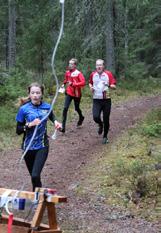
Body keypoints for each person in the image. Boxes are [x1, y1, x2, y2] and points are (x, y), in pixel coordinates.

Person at [16, 82, 61, 191]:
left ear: (41, 94)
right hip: (28, 147)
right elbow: (18, 130)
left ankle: (37, 199)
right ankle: (38, 199)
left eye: (38, 93)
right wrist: (30, 125)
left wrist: (56, 122)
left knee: (35, 175)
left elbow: (52, 117)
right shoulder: (23, 109)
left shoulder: (47, 107)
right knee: (34, 177)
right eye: (33, 93)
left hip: (42, 146)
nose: (35, 95)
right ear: (29, 94)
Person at [89, 59, 116, 144]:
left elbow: (114, 86)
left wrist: (107, 85)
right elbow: (90, 83)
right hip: (96, 99)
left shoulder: (108, 74)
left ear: (103, 66)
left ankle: (105, 136)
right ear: (95, 66)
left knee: (106, 119)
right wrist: (91, 87)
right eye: (97, 65)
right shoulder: (93, 74)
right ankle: (100, 124)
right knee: (95, 117)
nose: (99, 67)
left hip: (106, 100)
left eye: (100, 65)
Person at [60, 58, 86, 133]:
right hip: (69, 93)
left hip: (77, 94)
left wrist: (74, 84)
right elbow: (66, 80)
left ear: (75, 65)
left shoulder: (78, 73)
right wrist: (63, 84)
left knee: (77, 108)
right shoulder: (67, 72)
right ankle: (63, 127)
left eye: (71, 64)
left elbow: (83, 83)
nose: (70, 65)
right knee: (65, 108)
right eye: (69, 63)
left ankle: (81, 117)